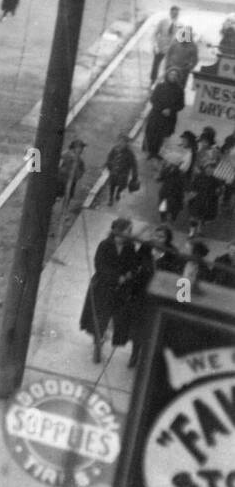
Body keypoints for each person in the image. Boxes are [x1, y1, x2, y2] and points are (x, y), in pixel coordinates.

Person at [80, 217, 143, 364]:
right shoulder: (105, 245)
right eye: (128, 230)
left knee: (116, 317)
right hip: (103, 287)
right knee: (100, 317)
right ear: (118, 231)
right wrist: (116, 278)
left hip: (121, 290)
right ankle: (97, 342)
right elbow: (100, 265)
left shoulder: (130, 247)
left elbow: (133, 265)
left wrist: (128, 275)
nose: (129, 233)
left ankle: (105, 337)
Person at [143, 70, 185, 160]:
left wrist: (171, 110)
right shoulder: (160, 86)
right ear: (167, 75)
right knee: (152, 133)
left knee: (161, 135)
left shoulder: (179, 90)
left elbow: (181, 105)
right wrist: (161, 109)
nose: (173, 77)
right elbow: (153, 99)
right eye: (171, 74)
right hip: (156, 114)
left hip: (169, 117)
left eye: (175, 75)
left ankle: (156, 152)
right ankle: (150, 152)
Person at [104, 132, 140, 206]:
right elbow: (110, 157)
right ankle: (111, 198)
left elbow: (134, 165)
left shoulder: (130, 153)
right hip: (114, 172)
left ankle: (118, 193)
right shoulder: (114, 149)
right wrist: (109, 165)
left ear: (126, 143)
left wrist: (134, 176)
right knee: (112, 186)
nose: (121, 143)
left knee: (121, 186)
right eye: (120, 141)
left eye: (123, 142)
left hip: (123, 175)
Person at [150, 6, 180, 83]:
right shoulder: (163, 22)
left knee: (169, 67)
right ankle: (152, 80)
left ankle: (166, 82)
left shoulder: (180, 25)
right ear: (170, 13)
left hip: (171, 49)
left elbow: (183, 39)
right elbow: (154, 34)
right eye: (173, 13)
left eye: (176, 14)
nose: (174, 15)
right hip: (160, 47)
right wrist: (155, 46)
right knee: (156, 64)